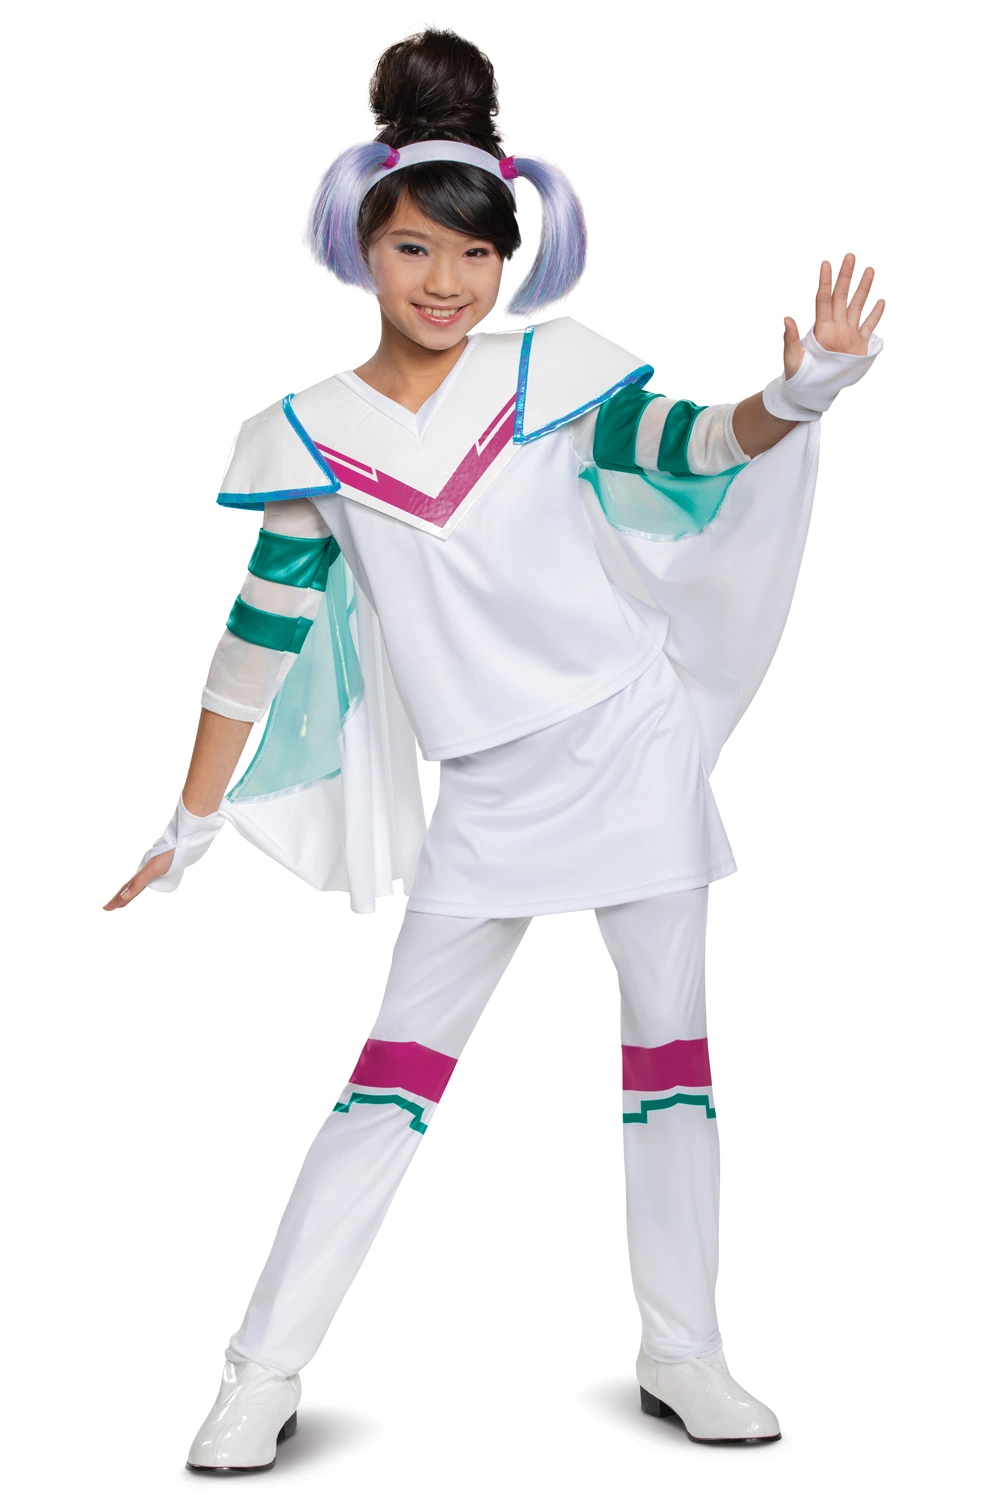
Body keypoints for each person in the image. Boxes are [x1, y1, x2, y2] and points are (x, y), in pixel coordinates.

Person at [104, 28, 884, 1469]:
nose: (445, 281)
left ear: (509, 257)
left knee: (670, 1053)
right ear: (363, 243)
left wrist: (803, 392)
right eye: (414, 247)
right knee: (390, 1076)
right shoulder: (308, 438)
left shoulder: (556, 378)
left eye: (475, 253)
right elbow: (254, 641)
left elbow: (695, 445)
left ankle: (684, 1351)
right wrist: (191, 816)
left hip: (630, 744)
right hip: (489, 790)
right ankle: (260, 1372)